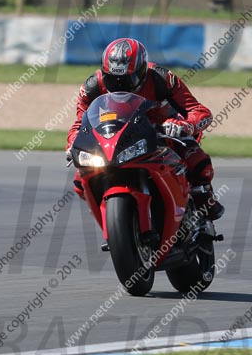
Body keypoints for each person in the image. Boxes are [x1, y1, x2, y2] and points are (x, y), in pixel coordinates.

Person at [66, 37, 224, 221]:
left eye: (126, 79)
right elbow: (80, 122)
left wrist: (184, 126)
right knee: (80, 180)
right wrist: (73, 144)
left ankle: (201, 205)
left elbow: (199, 111)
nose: (119, 85)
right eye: (113, 79)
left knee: (199, 163)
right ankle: (115, 220)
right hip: (116, 139)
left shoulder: (161, 78)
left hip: (161, 134)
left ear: (141, 71)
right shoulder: (92, 86)